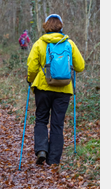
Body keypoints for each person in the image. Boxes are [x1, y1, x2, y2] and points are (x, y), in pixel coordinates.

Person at [26, 14, 85, 166]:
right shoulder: (69, 44)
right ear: (61, 26)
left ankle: (41, 149)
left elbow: (32, 66)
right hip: (64, 89)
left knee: (41, 119)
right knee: (57, 124)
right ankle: (54, 161)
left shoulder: (39, 43)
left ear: (46, 26)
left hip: (43, 87)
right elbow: (80, 66)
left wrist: (30, 79)